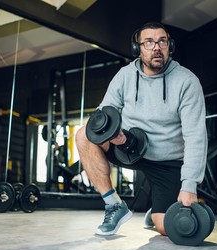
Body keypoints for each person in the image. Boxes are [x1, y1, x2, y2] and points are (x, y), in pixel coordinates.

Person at [75, 22, 207, 236]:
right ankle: (114, 205)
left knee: (168, 228)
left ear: (169, 46)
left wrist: (189, 185)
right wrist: (112, 134)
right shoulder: (125, 76)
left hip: (168, 161)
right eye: (149, 42)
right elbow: (102, 115)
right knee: (84, 135)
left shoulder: (187, 81)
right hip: (128, 146)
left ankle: (156, 212)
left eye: (162, 41)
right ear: (138, 48)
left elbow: (195, 136)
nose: (156, 47)